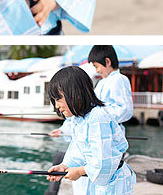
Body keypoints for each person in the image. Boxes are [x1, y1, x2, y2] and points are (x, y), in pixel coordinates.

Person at [46, 66, 135, 194]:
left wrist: (79, 171)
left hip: (113, 185)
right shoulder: (80, 119)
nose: (56, 105)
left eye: (58, 99)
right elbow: (77, 150)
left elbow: (104, 162)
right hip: (100, 184)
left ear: (76, 95)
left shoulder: (97, 118)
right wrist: (64, 166)